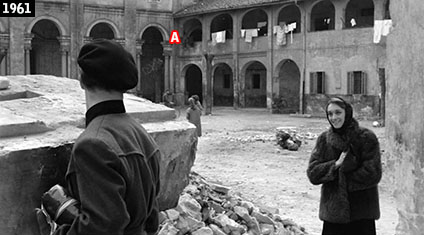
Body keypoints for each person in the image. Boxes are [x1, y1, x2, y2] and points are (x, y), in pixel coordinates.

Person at [36, 39, 161, 235]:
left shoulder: (93, 144)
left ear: (81, 80)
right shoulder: (141, 133)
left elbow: (101, 227)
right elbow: (152, 217)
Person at [306, 97, 382, 235]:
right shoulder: (324, 139)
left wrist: (342, 182)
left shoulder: (366, 137)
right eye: (330, 114)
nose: (334, 117)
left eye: (338, 112)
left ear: (347, 112)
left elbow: (373, 172)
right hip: (333, 214)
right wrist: (335, 165)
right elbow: (313, 173)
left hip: (361, 211)